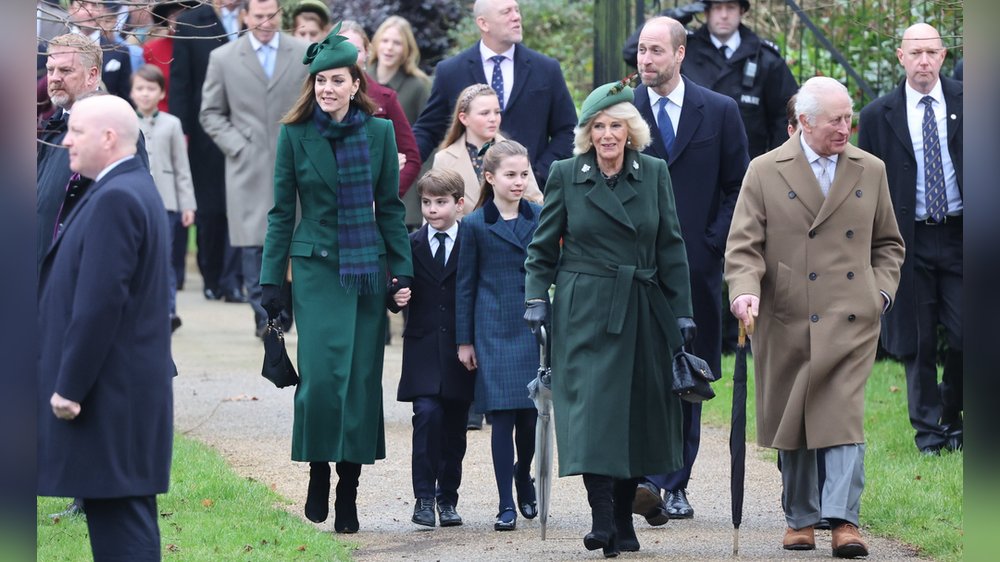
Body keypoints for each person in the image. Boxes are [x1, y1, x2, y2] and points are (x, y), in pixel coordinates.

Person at [726, 76, 904, 558]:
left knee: (843, 415)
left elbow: (889, 244)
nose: (846, 128)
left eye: (850, 118)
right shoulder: (764, 170)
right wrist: (744, 292)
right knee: (797, 415)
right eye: (835, 120)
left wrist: (879, 294)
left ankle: (844, 521)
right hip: (788, 314)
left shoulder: (871, 169)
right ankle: (801, 518)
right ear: (803, 121)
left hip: (852, 316)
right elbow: (743, 246)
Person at [523, 80, 693, 557]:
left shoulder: (654, 172)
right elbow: (541, 248)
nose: (607, 134)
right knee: (591, 415)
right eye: (598, 126)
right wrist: (536, 298)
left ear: (630, 130)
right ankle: (602, 518)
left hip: (640, 305)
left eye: (615, 124)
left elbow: (671, 248)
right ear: (587, 133)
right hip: (583, 308)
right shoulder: (565, 173)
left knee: (633, 416)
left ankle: (622, 517)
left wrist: (681, 313)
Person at [259, 27, 413, 533]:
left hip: (367, 267)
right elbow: (282, 213)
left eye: (336, 80)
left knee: (362, 382)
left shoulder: (380, 131)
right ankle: (319, 471)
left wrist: (400, 273)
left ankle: (349, 486)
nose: (327, 88)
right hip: (317, 266)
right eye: (320, 80)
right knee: (323, 380)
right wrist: (271, 284)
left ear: (355, 83)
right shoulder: (294, 133)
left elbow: (390, 209)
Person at [38, 94, 174, 562]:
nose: (67, 141)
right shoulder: (123, 188)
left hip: (111, 397)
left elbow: (99, 304)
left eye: (76, 132)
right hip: (122, 395)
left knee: (123, 529)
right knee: (121, 517)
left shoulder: (116, 197)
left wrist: (69, 388)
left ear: (109, 138)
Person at [630, 15, 748, 524]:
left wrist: (710, 243)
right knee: (639, 374)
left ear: (680, 54)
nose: (646, 60)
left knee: (687, 374)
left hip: (695, 267)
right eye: (641, 50)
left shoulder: (719, 111)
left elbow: (737, 184)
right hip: (633, 269)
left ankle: (674, 483)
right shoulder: (621, 110)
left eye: (656, 50)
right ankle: (640, 478)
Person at [858, 23, 963, 455]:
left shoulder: (969, 102)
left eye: (931, 52)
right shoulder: (878, 115)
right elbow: (867, 183)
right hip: (908, 239)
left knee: (967, 335)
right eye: (914, 53)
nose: (923, 61)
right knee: (917, 340)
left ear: (943, 57)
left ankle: (952, 414)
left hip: (960, 235)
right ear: (900, 57)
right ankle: (929, 434)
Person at [200, 0, 308, 338]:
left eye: (271, 15)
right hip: (248, 164)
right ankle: (265, 318)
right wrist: (238, 146)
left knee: (294, 240)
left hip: (296, 162)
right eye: (259, 15)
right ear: (245, 16)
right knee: (254, 244)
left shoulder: (303, 52)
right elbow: (211, 113)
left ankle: (286, 309)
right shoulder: (224, 58)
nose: (265, 22)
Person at [455, 140, 540, 532]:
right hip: (491, 328)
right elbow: (465, 285)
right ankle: (505, 502)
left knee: (530, 417)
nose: (519, 181)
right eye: (510, 174)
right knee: (502, 416)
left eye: (524, 174)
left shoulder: (540, 217)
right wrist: (465, 340)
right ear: (489, 178)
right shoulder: (474, 225)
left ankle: (525, 475)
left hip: (531, 326)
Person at [411, 0, 576, 189]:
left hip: (530, 194)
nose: (516, 17)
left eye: (517, 10)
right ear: (483, 23)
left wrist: (538, 173)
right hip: (469, 194)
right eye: (506, 12)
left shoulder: (546, 69)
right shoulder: (451, 71)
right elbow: (428, 129)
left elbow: (567, 130)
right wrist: (401, 164)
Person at [391, 169, 475, 528]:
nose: (431, 209)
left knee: (455, 427)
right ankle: (423, 497)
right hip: (423, 347)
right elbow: (394, 282)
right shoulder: (411, 244)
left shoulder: (472, 241)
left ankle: (448, 498)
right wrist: (395, 296)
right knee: (426, 417)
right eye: (426, 202)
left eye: (440, 202)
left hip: (460, 350)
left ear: (459, 205)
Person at [38, 33, 150, 270]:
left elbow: (127, 208)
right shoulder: (52, 126)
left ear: (93, 75)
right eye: (50, 70)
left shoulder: (114, 128)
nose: (54, 78)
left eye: (66, 71)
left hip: (82, 267)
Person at [169, 0, 246, 304]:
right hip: (206, 131)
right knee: (211, 209)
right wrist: (181, 131)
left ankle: (235, 280)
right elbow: (180, 82)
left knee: (243, 206)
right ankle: (212, 277)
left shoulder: (256, 17)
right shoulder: (191, 21)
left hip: (247, 127)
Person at [681, 0, 798, 159]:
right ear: (706, 11)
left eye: (730, 7)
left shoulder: (765, 58)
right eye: (717, 8)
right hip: (693, 161)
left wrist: (775, 164)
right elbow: (637, 53)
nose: (724, 15)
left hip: (747, 166)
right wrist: (676, 17)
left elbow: (784, 117)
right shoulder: (684, 52)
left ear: (742, 11)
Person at [131, 64, 197, 333]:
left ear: (161, 92)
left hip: (167, 200)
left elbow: (181, 166)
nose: (145, 94)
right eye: (140, 89)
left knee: (165, 257)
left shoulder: (172, 123)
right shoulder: (126, 120)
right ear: (132, 92)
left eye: (151, 89)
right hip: (135, 200)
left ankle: (168, 310)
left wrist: (188, 204)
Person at [339, 20, 422, 197]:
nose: (350, 56)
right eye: (342, 48)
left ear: (367, 52)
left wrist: (384, 198)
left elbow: (411, 158)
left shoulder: (386, 98)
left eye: (357, 50)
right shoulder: (319, 97)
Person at [432, 83, 542, 217]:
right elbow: (435, 213)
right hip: (463, 236)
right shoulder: (444, 159)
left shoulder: (515, 152)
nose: (493, 119)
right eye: (484, 113)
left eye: (497, 112)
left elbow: (535, 201)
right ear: (464, 118)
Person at [367, 16, 432, 125]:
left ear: (407, 48)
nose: (389, 47)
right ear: (376, 42)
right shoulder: (361, 78)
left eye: (397, 43)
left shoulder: (418, 86)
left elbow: (427, 128)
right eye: (385, 40)